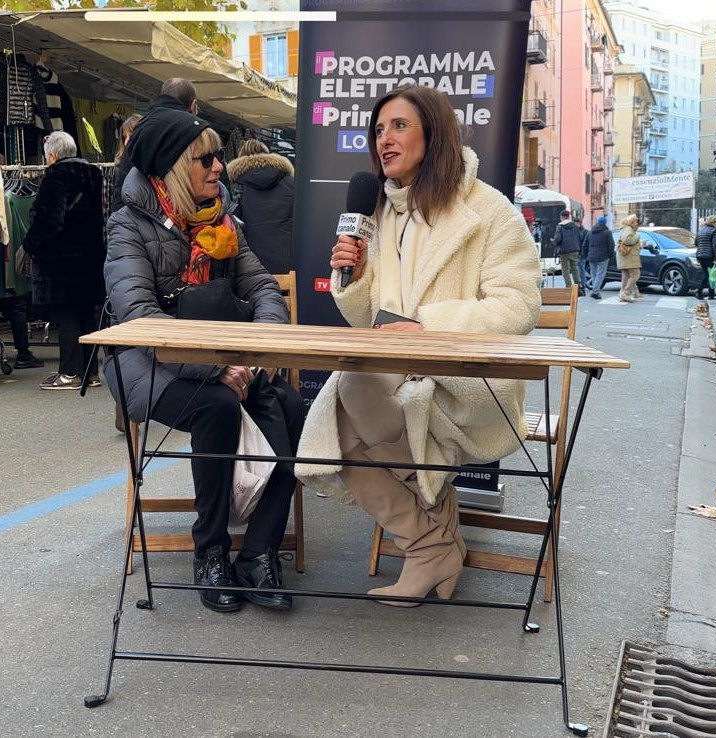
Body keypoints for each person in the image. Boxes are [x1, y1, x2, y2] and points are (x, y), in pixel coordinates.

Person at [298, 85, 541, 606]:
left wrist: (428, 328)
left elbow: (518, 307)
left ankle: (427, 544)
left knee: (343, 415)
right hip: (397, 373)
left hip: (465, 380)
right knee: (344, 405)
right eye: (379, 129)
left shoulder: (488, 211)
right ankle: (432, 543)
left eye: (399, 126)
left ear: (434, 133)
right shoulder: (380, 214)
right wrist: (355, 276)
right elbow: (365, 317)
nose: (385, 139)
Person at [103, 108, 304, 613]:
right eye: (206, 159)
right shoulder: (127, 227)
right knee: (216, 405)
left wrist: (261, 353)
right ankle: (210, 551)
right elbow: (141, 320)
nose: (220, 168)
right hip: (143, 362)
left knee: (290, 403)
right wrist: (217, 367)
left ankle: (259, 553)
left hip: (227, 360)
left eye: (219, 157)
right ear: (172, 166)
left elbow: (262, 289)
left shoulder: (224, 223)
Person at [22, 131, 106, 390]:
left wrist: (28, 245)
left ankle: (69, 373)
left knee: (67, 315)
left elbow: (50, 220)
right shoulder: (94, 175)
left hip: (62, 261)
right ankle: (90, 373)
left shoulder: (56, 176)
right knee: (86, 315)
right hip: (91, 257)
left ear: (54, 155)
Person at [109, 78, 200, 214]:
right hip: (185, 220)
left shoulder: (141, 130)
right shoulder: (196, 131)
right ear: (193, 105)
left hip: (138, 221)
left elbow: (122, 189)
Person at [227, 139, 295, 273]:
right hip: (286, 263)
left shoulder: (233, 188)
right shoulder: (292, 184)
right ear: (268, 155)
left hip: (247, 267)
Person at [552, 209, 583, 291]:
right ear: (568, 217)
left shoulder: (560, 226)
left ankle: (569, 288)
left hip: (564, 251)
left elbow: (558, 239)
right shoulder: (575, 226)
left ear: (562, 217)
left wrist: (553, 241)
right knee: (575, 269)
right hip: (575, 250)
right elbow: (580, 237)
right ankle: (578, 287)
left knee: (565, 270)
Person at [585, 215, 614, 300]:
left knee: (594, 274)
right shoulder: (607, 232)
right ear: (605, 223)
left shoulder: (590, 232)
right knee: (600, 274)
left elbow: (585, 244)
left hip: (591, 256)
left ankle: (595, 290)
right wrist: (610, 255)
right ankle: (595, 291)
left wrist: (586, 255)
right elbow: (611, 245)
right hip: (603, 256)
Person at [616, 213, 642, 302]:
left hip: (625, 257)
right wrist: (637, 236)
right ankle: (626, 293)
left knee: (626, 276)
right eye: (636, 222)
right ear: (631, 222)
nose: (637, 224)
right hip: (629, 258)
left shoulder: (626, 229)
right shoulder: (629, 230)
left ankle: (624, 293)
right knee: (635, 274)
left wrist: (640, 244)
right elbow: (627, 240)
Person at [695, 215, 716, 300]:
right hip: (709, 256)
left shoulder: (700, 231)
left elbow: (696, 243)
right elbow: (715, 245)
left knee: (708, 274)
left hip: (700, 255)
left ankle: (705, 293)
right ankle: (704, 293)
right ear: (713, 222)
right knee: (711, 275)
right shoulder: (714, 231)